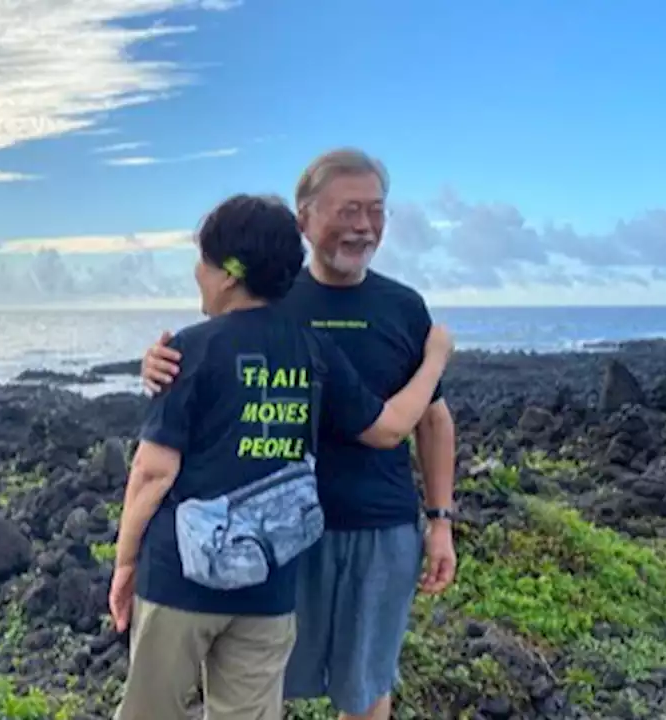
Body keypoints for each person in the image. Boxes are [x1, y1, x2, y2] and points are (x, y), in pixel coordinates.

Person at [140, 149, 459, 720]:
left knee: (364, 693)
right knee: (259, 691)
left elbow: (430, 420)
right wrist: (158, 363)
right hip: (276, 535)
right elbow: (214, 367)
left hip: (379, 529)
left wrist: (440, 523)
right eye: (347, 210)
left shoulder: (405, 308)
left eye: (375, 211)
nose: (363, 226)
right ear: (304, 219)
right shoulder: (271, 299)